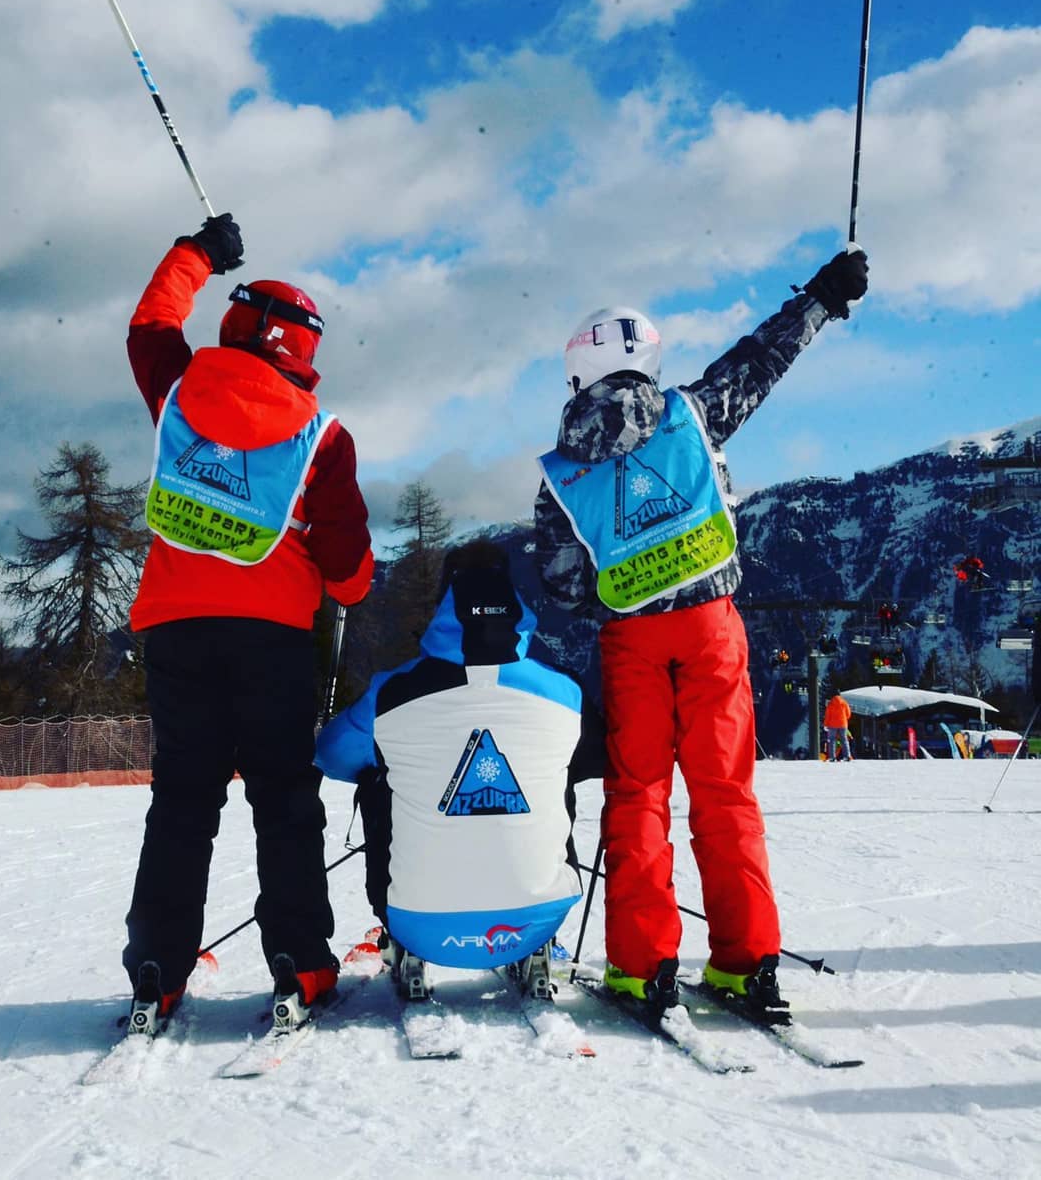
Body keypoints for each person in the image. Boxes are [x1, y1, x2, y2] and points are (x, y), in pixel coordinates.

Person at [534, 247, 869, 1022]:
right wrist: (820, 297)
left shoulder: (562, 471)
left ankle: (642, 963)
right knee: (725, 795)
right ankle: (745, 963)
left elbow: (560, 579)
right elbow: (764, 359)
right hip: (714, 629)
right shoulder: (693, 411)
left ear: (580, 371)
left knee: (637, 796)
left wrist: (618, 580)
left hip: (632, 641)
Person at [122, 213, 374, 1035]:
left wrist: (197, 255)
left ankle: (158, 970)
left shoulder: (179, 391)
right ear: (303, 353)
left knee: (183, 800)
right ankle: (300, 960)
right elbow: (352, 577)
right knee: (283, 798)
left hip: (176, 630)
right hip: (273, 642)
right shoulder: (321, 439)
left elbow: (151, 325)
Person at [313, 539, 606, 999]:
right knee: (556, 770)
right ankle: (533, 930)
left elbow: (331, 756)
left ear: (443, 605)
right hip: (538, 917)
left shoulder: (393, 693)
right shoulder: (563, 693)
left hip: (415, 919)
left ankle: (408, 942)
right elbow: (602, 757)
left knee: (378, 774)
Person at [823, 693, 853, 762]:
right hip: (843, 724)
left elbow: (827, 715)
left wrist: (825, 724)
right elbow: (848, 714)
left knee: (832, 740)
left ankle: (832, 757)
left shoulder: (830, 704)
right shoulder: (844, 703)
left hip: (832, 725)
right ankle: (847, 756)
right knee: (844, 740)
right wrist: (844, 719)